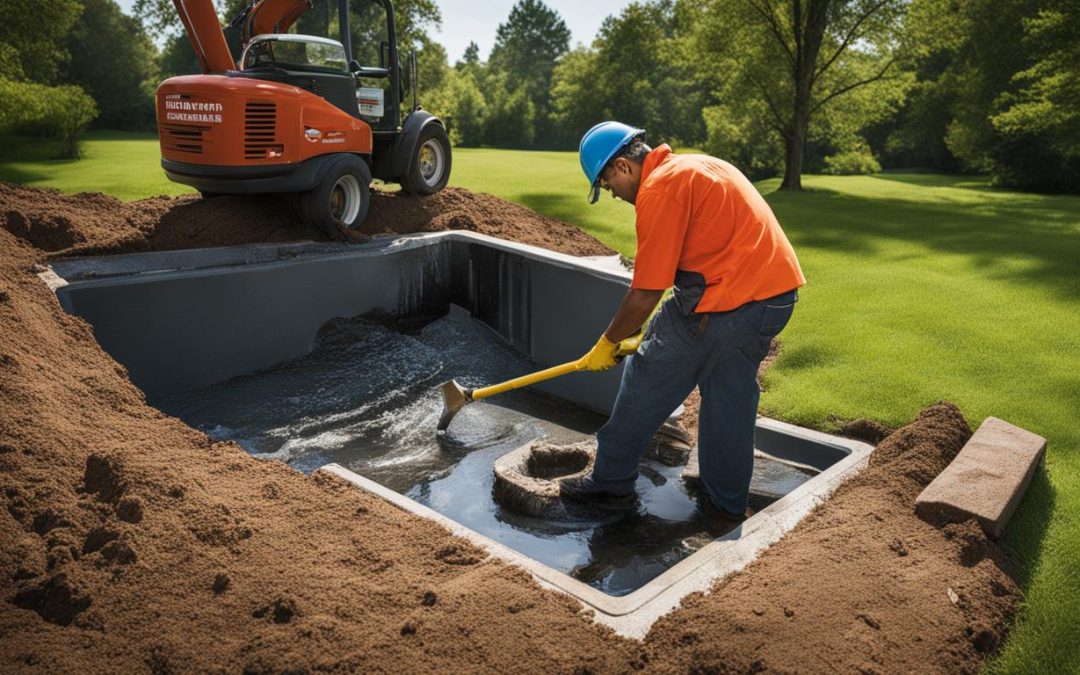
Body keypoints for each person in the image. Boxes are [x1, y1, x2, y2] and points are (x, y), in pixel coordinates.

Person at [560, 121, 805, 525]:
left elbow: (646, 291)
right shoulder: (696, 165)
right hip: (772, 298)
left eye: (607, 185)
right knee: (728, 400)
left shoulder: (660, 189)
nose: (615, 195)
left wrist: (609, 341)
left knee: (649, 368)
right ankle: (724, 504)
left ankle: (610, 481)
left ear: (622, 167)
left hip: (730, 301)